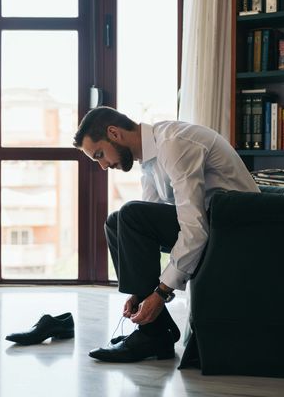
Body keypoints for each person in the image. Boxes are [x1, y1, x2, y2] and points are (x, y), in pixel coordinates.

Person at [73, 106, 259, 363]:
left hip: (234, 231)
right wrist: (139, 294)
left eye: (99, 155)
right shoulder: (148, 162)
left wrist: (160, 293)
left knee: (129, 215)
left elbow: (195, 228)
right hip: (214, 222)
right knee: (116, 222)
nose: (103, 166)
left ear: (114, 133)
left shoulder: (174, 143)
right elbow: (143, 227)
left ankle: (153, 334)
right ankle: (156, 331)